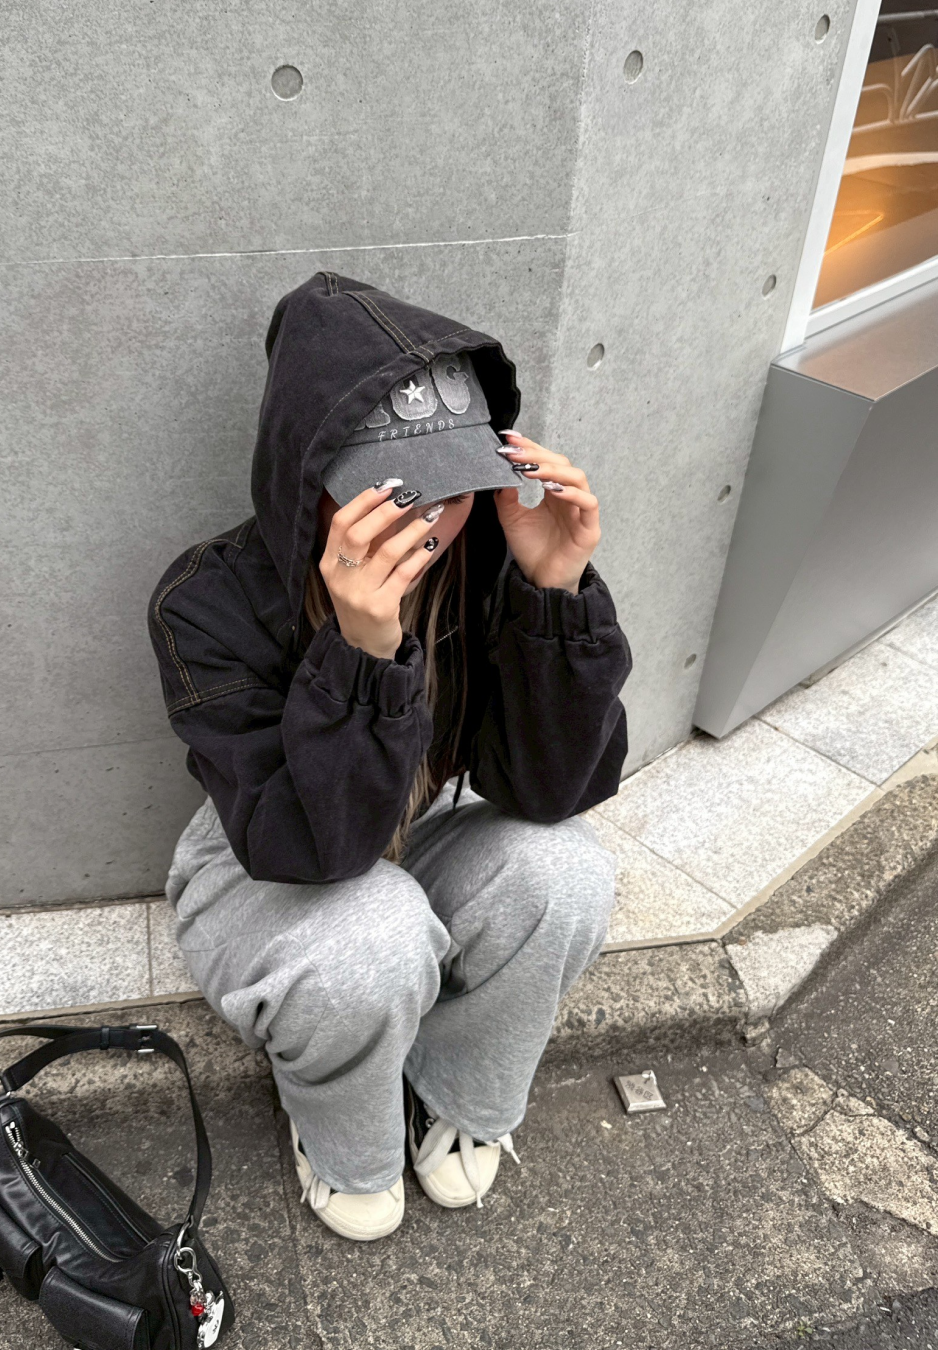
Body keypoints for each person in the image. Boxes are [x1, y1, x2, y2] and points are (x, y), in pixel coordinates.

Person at [147, 271, 633, 1242]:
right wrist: (362, 653)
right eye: (397, 487)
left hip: (427, 826)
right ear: (310, 475)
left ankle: (454, 1085)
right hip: (267, 859)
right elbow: (316, 851)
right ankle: (344, 1141)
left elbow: (552, 792)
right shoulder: (205, 601)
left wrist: (553, 592)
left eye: (453, 479)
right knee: (371, 932)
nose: (431, 517)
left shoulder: (488, 558)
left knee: (567, 871)